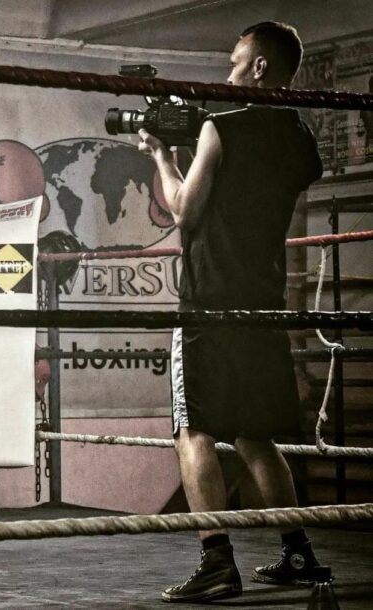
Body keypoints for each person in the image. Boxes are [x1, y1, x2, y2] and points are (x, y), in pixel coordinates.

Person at [138, 22, 324, 602]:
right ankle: (297, 551)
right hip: (262, 301)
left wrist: (163, 155)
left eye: (235, 62)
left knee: (192, 429)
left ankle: (216, 560)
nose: (228, 73)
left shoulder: (222, 127)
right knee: (255, 436)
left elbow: (182, 214)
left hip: (210, 300)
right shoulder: (302, 141)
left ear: (261, 67)